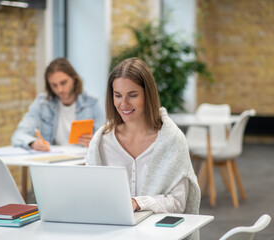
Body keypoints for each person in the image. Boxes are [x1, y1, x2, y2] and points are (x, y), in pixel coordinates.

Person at [85, 57, 200, 215]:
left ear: (148, 96)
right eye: (118, 95)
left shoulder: (172, 139)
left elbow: (178, 202)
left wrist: (138, 203)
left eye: (132, 95)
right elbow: (90, 194)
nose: (124, 104)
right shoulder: (101, 142)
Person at [11, 58, 104, 150]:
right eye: (54, 85)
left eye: (63, 83)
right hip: (53, 161)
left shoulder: (92, 104)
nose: (59, 90)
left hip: (82, 162)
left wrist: (95, 142)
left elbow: (106, 142)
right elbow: (18, 135)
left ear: (74, 79)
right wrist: (32, 143)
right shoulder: (42, 103)